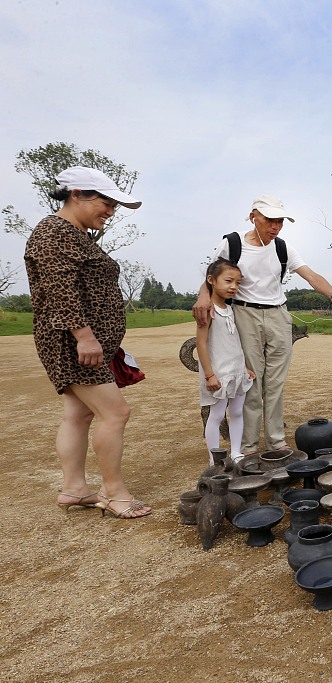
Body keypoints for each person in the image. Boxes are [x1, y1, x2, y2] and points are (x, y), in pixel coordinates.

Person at [24, 166, 151, 518]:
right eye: (107, 203)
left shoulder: (75, 234)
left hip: (85, 343)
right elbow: (61, 291)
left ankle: (74, 489)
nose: (111, 211)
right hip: (72, 343)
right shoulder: (54, 233)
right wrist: (84, 337)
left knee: (77, 415)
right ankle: (114, 493)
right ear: (77, 194)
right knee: (115, 412)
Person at [193, 195, 332, 454]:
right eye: (270, 220)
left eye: (280, 222)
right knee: (251, 380)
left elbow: (310, 275)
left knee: (276, 382)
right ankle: (249, 445)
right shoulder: (232, 244)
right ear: (254, 217)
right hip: (245, 314)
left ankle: (276, 440)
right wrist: (203, 297)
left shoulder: (282, 247)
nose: (275, 227)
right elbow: (212, 275)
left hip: (278, 315)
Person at [196, 258, 255, 464]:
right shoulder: (208, 310)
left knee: (237, 411)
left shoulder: (231, 309)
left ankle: (236, 452)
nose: (233, 287)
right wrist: (209, 374)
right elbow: (201, 343)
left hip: (236, 371)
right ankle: (215, 459)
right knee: (217, 414)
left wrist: (244, 367)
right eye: (229, 281)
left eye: (238, 283)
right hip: (219, 373)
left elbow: (234, 342)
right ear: (211, 280)